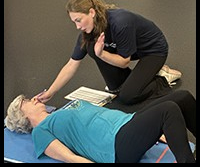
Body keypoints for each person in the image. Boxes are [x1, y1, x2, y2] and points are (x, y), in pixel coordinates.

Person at [36, 0, 181, 105]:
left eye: (79, 20)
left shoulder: (120, 22)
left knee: (128, 96)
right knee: (116, 89)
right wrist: (50, 92)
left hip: (152, 50)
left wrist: (102, 54)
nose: (77, 26)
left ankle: (162, 77)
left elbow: (124, 62)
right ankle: (136, 79)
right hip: (127, 47)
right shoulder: (88, 32)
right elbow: (71, 65)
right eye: (74, 22)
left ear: (91, 12)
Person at [5, 90, 196, 163]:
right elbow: (70, 157)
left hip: (128, 123)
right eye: (28, 101)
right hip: (115, 146)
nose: (34, 99)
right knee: (168, 110)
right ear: (24, 116)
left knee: (183, 97)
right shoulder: (41, 131)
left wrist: (155, 130)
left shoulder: (58, 112)